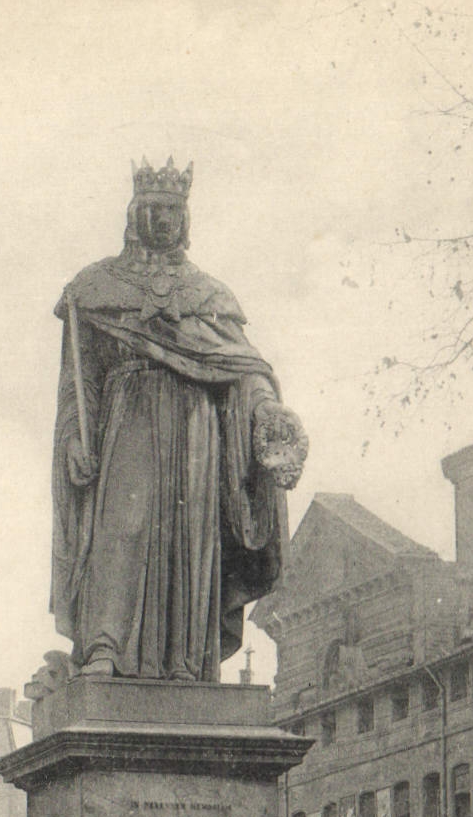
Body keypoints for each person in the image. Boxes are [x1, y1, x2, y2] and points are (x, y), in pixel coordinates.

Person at [50, 158, 307, 682]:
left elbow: (243, 371)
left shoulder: (208, 295)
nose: (165, 220)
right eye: (155, 209)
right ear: (135, 215)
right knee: (122, 531)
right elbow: (79, 383)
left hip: (196, 431)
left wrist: (266, 411)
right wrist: (76, 436)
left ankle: (186, 660)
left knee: (190, 542)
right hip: (128, 423)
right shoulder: (95, 288)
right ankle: (105, 647)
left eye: (173, 210)